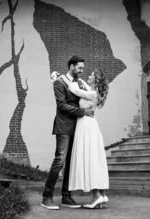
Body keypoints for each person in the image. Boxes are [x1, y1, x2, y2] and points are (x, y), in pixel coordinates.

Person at [41, 55, 94, 210]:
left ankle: (66, 197)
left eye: (83, 68)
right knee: (59, 161)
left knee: (70, 164)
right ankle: (47, 197)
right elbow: (62, 105)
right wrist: (83, 112)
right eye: (80, 68)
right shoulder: (59, 82)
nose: (82, 71)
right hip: (63, 126)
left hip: (77, 127)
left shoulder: (79, 83)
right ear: (71, 66)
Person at [63, 68, 110, 209]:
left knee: (89, 157)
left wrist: (63, 77)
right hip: (89, 124)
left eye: (91, 75)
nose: (88, 75)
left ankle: (96, 196)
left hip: (86, 126)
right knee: (94, 158)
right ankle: (101, 195)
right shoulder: (93, 91)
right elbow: (82, 83)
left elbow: (74, 89)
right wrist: (79, 78)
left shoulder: (91, 93)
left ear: (95, 79)